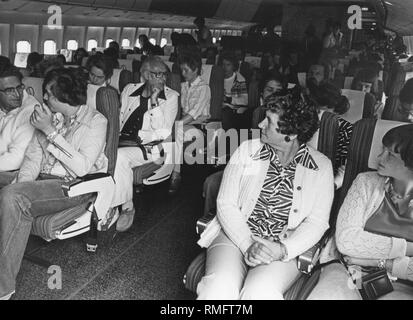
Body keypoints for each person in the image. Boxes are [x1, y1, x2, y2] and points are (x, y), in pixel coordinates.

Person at [196, 89, 334, 300]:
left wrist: (282, 250)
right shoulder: (246, 151)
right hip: (235, 236)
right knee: (218, 289)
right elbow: (226, 203)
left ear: (292, 132)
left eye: (268, 121)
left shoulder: (321, 167)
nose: (260, 125)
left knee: (260, 294)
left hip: (282, 247)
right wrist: (247, 243)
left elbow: (317, 222)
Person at [0, 68, 108, 300]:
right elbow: (32, 158)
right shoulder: (52, 117)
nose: (44, 98)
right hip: (40, 183)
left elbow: (82, 168)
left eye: (48, 93)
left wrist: (50, 131)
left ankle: (3, 288)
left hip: (71, 186)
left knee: (12, 197)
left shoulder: (96, 122)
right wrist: (23, 184)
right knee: (13, 192)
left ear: (64, 95)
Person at [308, 125, 413, 300]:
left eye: (391, 155)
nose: (379, 157)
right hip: (349, 271)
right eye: (382, 150)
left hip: (399, 280)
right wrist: (407, 248)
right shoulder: (365, 182)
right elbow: (347, 241)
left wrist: (379, 262)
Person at [203, 73, 286, 217]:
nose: (274, 95)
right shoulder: (249, 115)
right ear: (262, 95)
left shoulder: (289, 118)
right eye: (269, 90)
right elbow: (236, 146)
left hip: (275, 172)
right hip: (247, 166)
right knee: (211, 183)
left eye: (278, 91)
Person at [111, 56, 179, 232]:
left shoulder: (171, 97)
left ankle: (127, 207)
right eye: (159, 75)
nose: (163, 79)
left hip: (150, 147)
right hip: (121, 140)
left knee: (119, 158)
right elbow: (118, 118)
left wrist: (155, 101)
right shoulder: (129, 90)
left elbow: (163, 132)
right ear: (146, 75)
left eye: (165, 75)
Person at [168, 53, 211, 194]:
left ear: (196, 70)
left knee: (178, 128)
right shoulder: (183, 86)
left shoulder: (204, 88)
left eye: (186, 70)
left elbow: (194, 113)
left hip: (201, 127)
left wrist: (177, 124)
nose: (183, 73)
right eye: (181, 70)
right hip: (185, 124)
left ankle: (176, 172)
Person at [307, 81, 352, 188]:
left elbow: (345, 168)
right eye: (315, 109)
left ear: (335, 110)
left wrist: (332, 186)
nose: (317, 114)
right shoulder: (303, 124)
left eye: (322, 111)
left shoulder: (347, 130)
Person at [0, 66, 37, 175]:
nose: (17, 94)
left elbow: (16, 159)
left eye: (19, 87)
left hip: (10, 173)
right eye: (9, 90)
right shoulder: (5, 107)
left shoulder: (31, 112)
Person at [220, 51, 249, 131]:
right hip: (217, 106)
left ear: (234, 66)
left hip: (233, 110)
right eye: (223, 64)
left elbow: (244, 101)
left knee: (225, 115)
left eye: (228, 65)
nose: (224, 67)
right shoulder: (218, 77)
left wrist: (228, 98)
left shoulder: (239, 79)